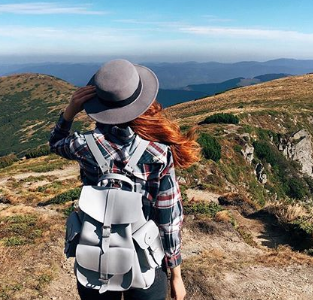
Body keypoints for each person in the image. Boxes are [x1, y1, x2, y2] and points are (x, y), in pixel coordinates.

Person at [49, 59, 200, 300]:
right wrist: (176, 275)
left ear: (98, 104)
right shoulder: (159, 153)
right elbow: (169, 219)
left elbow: (55, 143)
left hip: (94, 254)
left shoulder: (82, 145)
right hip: (144, 258)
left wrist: (70, 111)